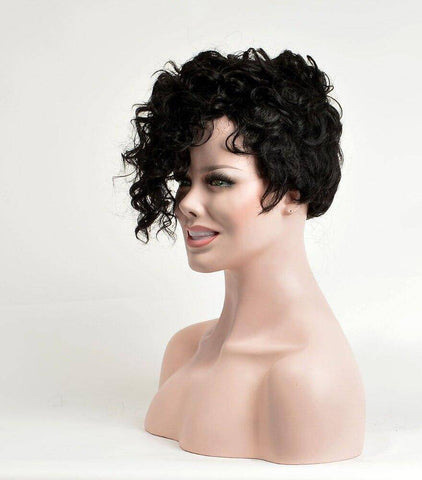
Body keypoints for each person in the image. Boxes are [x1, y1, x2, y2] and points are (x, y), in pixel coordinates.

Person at [119, 47, 365, 464]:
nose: (186, 203)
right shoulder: (186, 349)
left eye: (218, 180)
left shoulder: (305, 379)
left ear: (292, 190)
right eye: (185, 180)